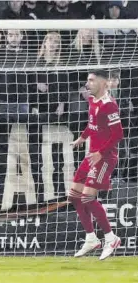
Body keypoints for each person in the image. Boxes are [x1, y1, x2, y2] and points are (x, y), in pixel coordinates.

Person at [70, 70, 123, 260]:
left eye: (91, 80)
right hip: (92, 155)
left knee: (87, 198)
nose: (87, 83)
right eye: (87, 80)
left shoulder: (109, 106)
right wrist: (82, 138)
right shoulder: (92, 101)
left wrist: (100, 153)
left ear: (102, 83)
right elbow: (92, 124)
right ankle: (91, 238)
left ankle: (111, 238)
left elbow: (118, 135)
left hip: (105, 157)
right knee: (74, 196)